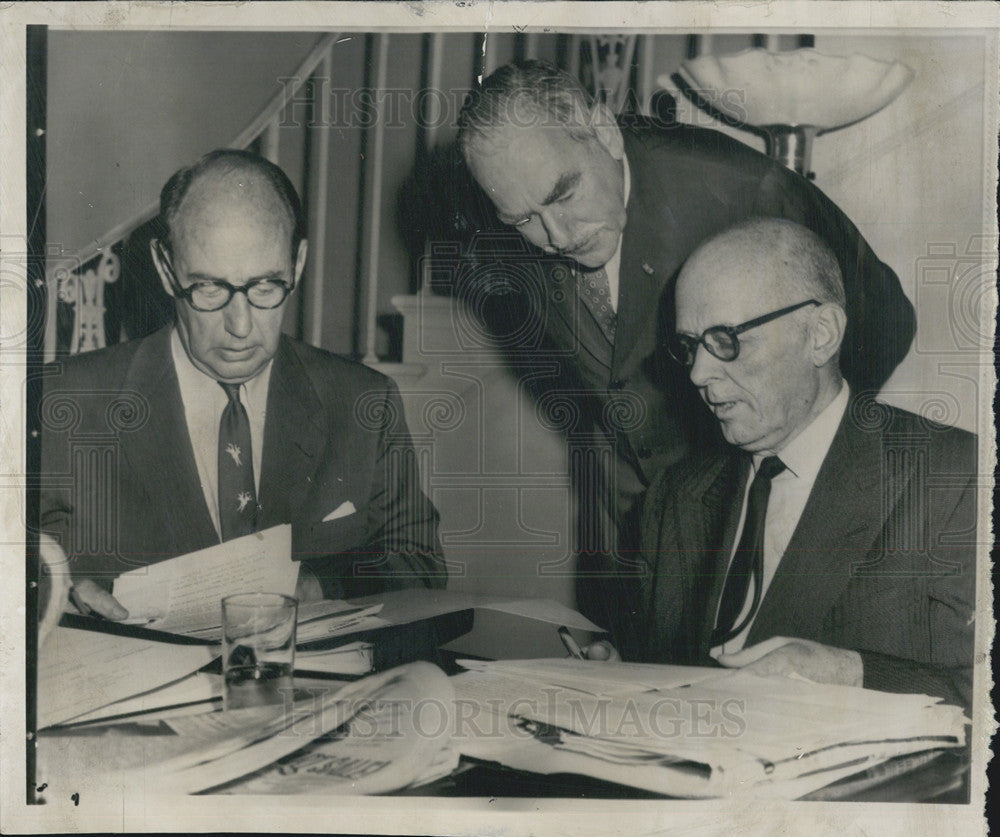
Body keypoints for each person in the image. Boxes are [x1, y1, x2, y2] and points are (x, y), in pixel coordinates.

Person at [456, 60, 916, 650]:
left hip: (740, 496)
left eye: (564, 194)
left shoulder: (737, 191)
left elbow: (883, 320)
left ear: (603, 131)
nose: (559, 235)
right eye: (525, 219)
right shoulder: (514, 232)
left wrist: (793, 442)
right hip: (627, 521)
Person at [39, 149, 446, 619]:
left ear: (298, 262)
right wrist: (48, 591)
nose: (239, 325)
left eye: (265, 287)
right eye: (208, 288)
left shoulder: (363, 402)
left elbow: (421, 563)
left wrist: (316, 587)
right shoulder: (62, 404)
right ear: (166, 268)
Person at [638, 218, 975, 708]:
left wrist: (849, 674)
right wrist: (618, 675)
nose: (697, 372)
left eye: (726, 340)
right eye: (690, 346)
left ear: (821, 334)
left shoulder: (957, 479)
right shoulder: (675, 494)